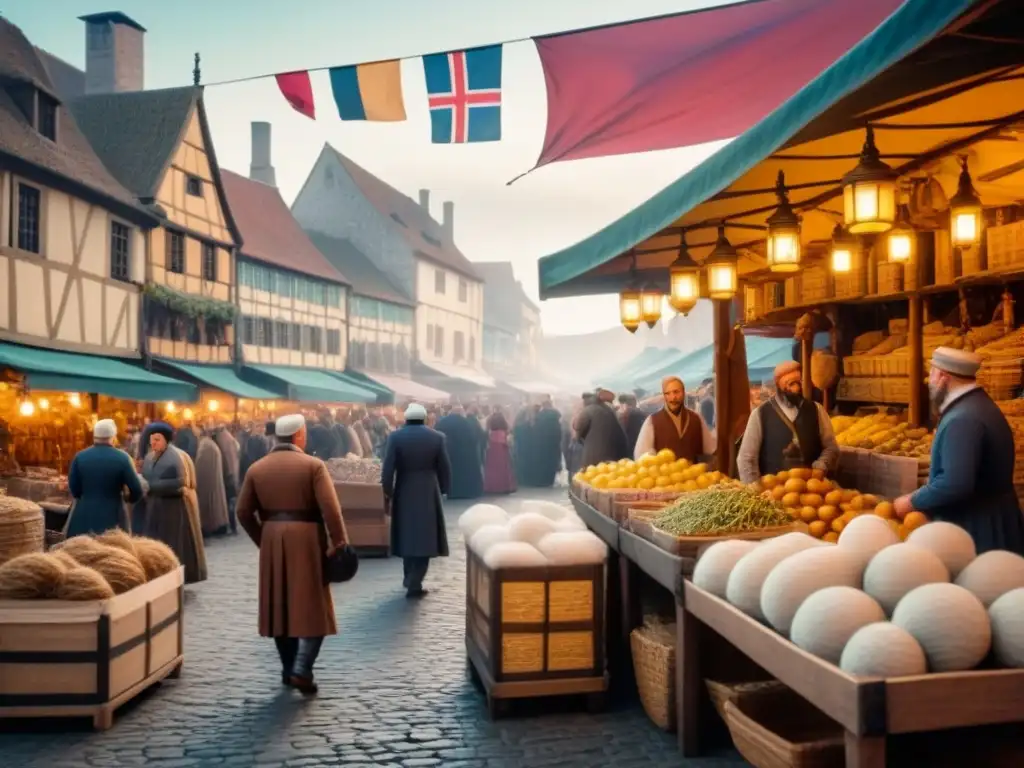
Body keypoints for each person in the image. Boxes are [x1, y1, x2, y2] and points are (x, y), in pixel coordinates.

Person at [235, 414, 349, 694]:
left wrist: (264, 538)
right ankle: (302, 668)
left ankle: (288, 669)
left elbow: (242, 511)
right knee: (315, 607)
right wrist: (339, 542)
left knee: (280, 606)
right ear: (299, 435)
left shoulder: (257, 468)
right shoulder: (313, 466)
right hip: (307, 537)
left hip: (273, 537)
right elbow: (331, 510)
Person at [894, 348, 1024, 554]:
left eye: (932, 374)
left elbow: (954, 484)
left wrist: (911, 501)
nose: (930, 382)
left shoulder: (963, 419)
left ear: (943, 377)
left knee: (984, 583)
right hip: (993, 518)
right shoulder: (977, 404)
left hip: (979, 529)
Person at [381, 403, 451, 597]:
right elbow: (444, 466)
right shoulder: (437, 437)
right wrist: (444, 488)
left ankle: (409, 576)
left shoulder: (395, 437)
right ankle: (415, 581)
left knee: (407, 534)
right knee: (426, 536)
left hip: (404, 488)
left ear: (406, 419)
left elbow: (388, 468)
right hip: (428, 489)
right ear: (425, 418)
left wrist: (388, 491)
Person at [736, 361, 839, 483]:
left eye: (798, 383)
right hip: (774, 491)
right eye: (790, 384)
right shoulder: (760, 414)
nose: (796, 389)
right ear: (778, 385)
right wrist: (754, 488)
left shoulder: (816, 410)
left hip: (811, 490)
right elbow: (746, 458)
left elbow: (831, 447)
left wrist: (821, 466)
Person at [139, 422, 207, 584]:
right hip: (154, 507)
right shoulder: (149, 457)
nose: (153, 443)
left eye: (157, 439)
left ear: (166, 440)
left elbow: (180, 483)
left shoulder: (175, 457)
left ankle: (175, 575)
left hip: (172, 509)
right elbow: (147, 476)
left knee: (173, 544)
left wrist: (152, 486)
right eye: (152, 440)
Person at [65, 419, 144, 537]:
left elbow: (74, 489)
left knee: (80, 551)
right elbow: (137, 490)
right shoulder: (123, 458)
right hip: (113, 519)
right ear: (113, 437)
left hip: (83, 518)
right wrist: (128, 498)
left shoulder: (80, 457)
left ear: (94, 437)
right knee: (112, 552)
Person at [634, 376, 716, 461]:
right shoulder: (652, 421)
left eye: (676, 392)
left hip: (695, 473)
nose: (673, 397)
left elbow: (709, 449)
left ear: (683, 393)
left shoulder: (696, 418)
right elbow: (642, 457)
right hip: (665, 473)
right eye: (668, 393)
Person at [434, 403, 484, 500]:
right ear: (460, 413)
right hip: (464, 454)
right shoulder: (466, 423)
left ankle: (450, 491)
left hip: (448, 452)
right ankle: (464, 492)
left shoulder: (443, 422)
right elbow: (473, 438)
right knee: (463, 473)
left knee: (450, 472)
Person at [575, 388, 630, 468]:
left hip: (595, 457)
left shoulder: (587, 410)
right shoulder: (608, 410)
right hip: (615, 455)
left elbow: (579, 431)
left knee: (594, 477)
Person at [195, 434, 230, 536]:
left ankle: (211, 526)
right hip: (215, 482)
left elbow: (200, 467)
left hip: (207, 483)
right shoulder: (210, 445)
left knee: (209, 504)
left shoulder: (205, 446)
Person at [483, 407, 517, 495]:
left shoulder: (490, 424)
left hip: (492, 446)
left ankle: (491, 487)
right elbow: (509, 431)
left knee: (492, 468)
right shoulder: (504, 428)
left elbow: (486, 432)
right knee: (504, 467)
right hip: (502, 446)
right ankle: (505, 486)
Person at [532, 398, 564, 487]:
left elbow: (536, 429)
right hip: (553, 442)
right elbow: (559, 430)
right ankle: (550, 480)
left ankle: (543, 480)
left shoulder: (539, 415)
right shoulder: (556, 415)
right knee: (552, 461)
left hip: (542, 443)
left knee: (543, 461)